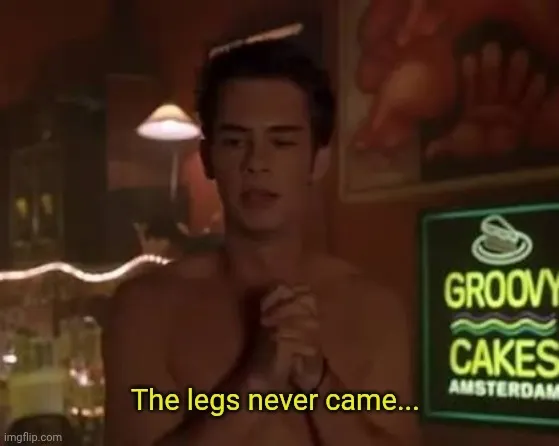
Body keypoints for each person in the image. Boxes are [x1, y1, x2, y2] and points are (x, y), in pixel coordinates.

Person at [103, 38, 418, 446]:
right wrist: (256, 382)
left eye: (281, 142)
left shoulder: (373, 309)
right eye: (235, 142)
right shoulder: (148, 309)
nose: (257, 163)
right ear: (208, 158)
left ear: (318, 160)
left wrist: (320, 383)